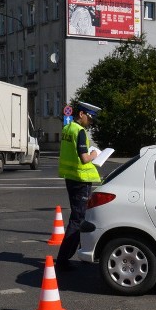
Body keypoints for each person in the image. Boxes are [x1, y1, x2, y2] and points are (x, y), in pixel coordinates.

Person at [56, 101, 101, 271]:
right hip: (81, 180)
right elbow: (84, 158)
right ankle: (63, 259)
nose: (90, 122)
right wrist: (94, 154)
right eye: (89, 118)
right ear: (81, 114)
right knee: (77, 220)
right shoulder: (80, 131)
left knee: (80, 218)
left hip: (71, 177)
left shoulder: (67, 129)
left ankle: (82, 253)